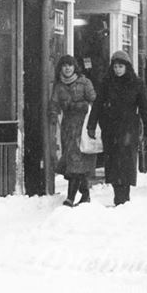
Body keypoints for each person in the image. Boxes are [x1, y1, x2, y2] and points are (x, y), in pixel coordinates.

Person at [86, 51, 147, 206]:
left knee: (126, 161)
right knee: (113, 162)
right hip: (110, 128)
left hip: (129, 127)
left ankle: (124, 196)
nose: (118, 70)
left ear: (127, 67)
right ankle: (118, 194)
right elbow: (97, 104)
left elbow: (144, 108)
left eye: (121, 66)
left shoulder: (137, 84)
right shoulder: (106, 83)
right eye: (115, 66)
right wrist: (92, 124)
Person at [49, 55, 97, 207]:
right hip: (67, 127)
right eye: (64, 66)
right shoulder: (59, 86)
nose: (67, 68)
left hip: (82, 127)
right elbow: (54, 103)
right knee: (72, 162)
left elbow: (94, 100)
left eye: (70, 65)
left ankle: (70, 197)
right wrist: (52, 115)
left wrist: (80, 106)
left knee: (75, 161)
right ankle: (86, 194)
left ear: (74, 67)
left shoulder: (84, 82)